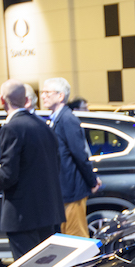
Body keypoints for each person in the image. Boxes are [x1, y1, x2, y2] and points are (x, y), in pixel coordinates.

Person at [0, 79, 64, 261]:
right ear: (25, 100)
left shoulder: (12, 128)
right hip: (48, 212)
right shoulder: (44, 125)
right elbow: (56, 163)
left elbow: (9, 173)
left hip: (22, 215)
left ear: (2, 100)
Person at [41, 77, 100, 238]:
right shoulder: (56, 119)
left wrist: (92, 181)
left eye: (47, 92)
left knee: (77, 236)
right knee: (69, 235)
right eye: (43, 92)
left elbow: (80, 154)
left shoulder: (67, 119)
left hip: (72, 189)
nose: (43, 96)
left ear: (60, 96)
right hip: (64, 190)